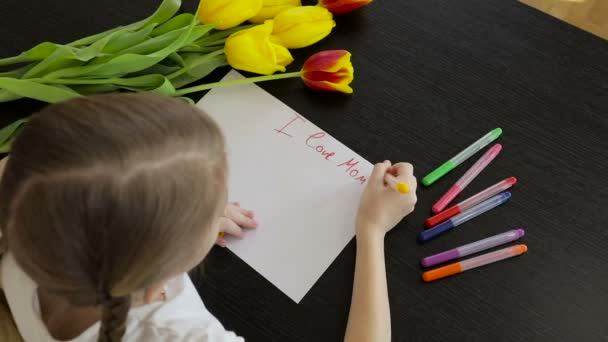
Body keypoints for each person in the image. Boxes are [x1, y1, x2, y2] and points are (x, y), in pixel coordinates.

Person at [0, 93, 417, 342]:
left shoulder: (23, 189)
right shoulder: (174, 331)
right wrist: (371, 230)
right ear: (157, 284)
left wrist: (178, 210)